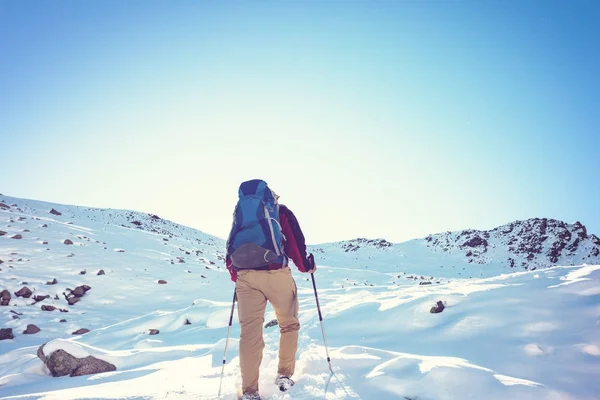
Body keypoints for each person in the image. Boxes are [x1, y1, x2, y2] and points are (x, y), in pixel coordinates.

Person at [226, 179, 317, 400]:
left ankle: (250, 391)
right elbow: (296, 244)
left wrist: (237, 275)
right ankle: (284, 375)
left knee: (249, 335)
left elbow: (231, 245)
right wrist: (307, 266)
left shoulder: (240, 215)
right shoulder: (280, 212)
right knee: (288, 324)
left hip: (246, 278)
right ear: (270, 196)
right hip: (276, 274)